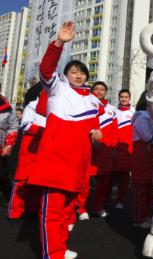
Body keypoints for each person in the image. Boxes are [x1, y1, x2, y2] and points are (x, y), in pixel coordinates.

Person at [26, 21, 103, 259]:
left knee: (68, 212)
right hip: (56, 160)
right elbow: (47, 69)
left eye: (82, 72)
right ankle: (53, 253)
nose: (78, 75)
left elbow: (94, 128)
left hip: (78, 163)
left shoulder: (92, 100)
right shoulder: (57, 88)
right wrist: (59, 43)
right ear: (66, 75)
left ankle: (60, 245)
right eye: (74, 71)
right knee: (52, 211)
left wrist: (97, 133)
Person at [76, 81, 118, 220]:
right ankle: (81, 208)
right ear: (92, 91)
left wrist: (112, 148)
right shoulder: (84, 104)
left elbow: (114, 131)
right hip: (89, 149)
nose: (99, 92)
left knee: (103, 184)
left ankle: (98, 207)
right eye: (97, 89)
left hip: (105, 153)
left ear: (106, 92)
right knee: (84, 182)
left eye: (102, 90)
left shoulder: (112, 109)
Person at [8, 89, 46, 219]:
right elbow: (25, 125)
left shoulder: (59, 106)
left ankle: (33, 209)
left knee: (40, 180)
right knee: (23, 179)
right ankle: (15, 212)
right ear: (40, 92)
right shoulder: (33, 105)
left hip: (47, 147)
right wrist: (48, 132)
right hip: (31, 145)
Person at [131, 90, 153, 228]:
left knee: (149, 186)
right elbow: (147, 136)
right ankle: (139, 218)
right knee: (141, 186)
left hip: (150, 152)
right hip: (143, 152)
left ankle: (146, 215)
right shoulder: (142, 116)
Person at [112, 89, 135, 210]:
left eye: (126, 97)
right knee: (111, 177)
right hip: (115, 148)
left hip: (129, 149)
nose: (124, 99)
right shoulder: (113, 112)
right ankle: (107, 200)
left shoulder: (134, 112)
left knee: (125, 178)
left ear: (129, 98)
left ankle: (121, 200)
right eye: (121, 97)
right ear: (118, 97)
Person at [0, 95, 18, 205]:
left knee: (2, 177)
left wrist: (9, 144)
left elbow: (13, 126)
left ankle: (10, 202)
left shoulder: (6, 108)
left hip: (1, 149)